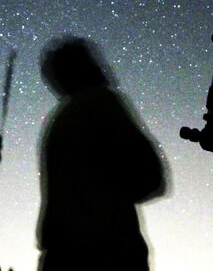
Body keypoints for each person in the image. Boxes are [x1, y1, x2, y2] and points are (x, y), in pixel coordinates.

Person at [37, 36, 168, 271]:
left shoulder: (58, 121)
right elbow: (151, 177)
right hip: (106, 252)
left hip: (62, 255)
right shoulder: (102, 101)